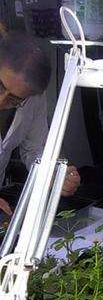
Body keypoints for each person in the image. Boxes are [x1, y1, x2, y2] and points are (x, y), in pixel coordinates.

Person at [0, 33, 80, 216]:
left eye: (14, 99)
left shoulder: (33, 100)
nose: (1, 100)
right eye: (0, 86)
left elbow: (34, 149)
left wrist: (54, 174)